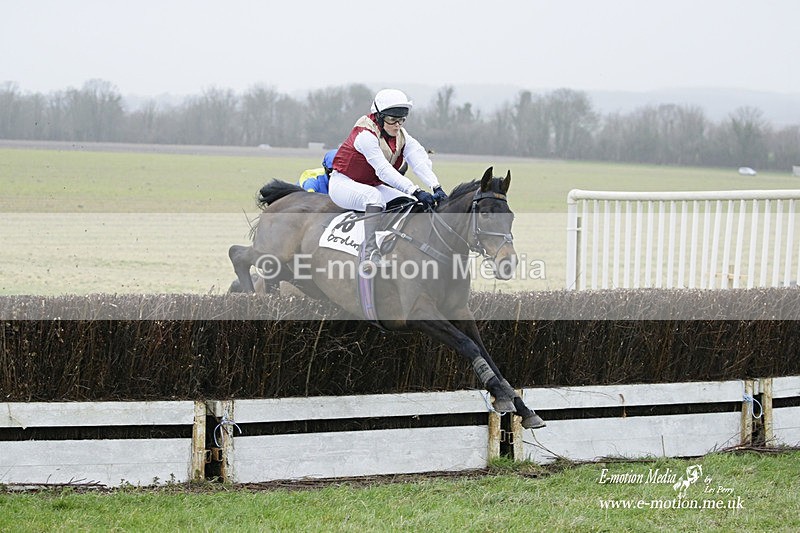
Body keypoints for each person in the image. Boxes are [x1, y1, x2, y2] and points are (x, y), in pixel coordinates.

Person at [329, 88, 447, 267]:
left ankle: (396, 247)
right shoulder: (365, 135)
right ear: (378, 116)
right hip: (343, 183)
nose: (397, 125)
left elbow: (419, 160)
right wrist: (416, 189)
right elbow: (384, 171)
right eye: (392, 120)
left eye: (401, 120)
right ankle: (369, 253)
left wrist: (436, 186)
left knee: (410, 201)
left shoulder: (402, 136)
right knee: (374, 198)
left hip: (371, 185)